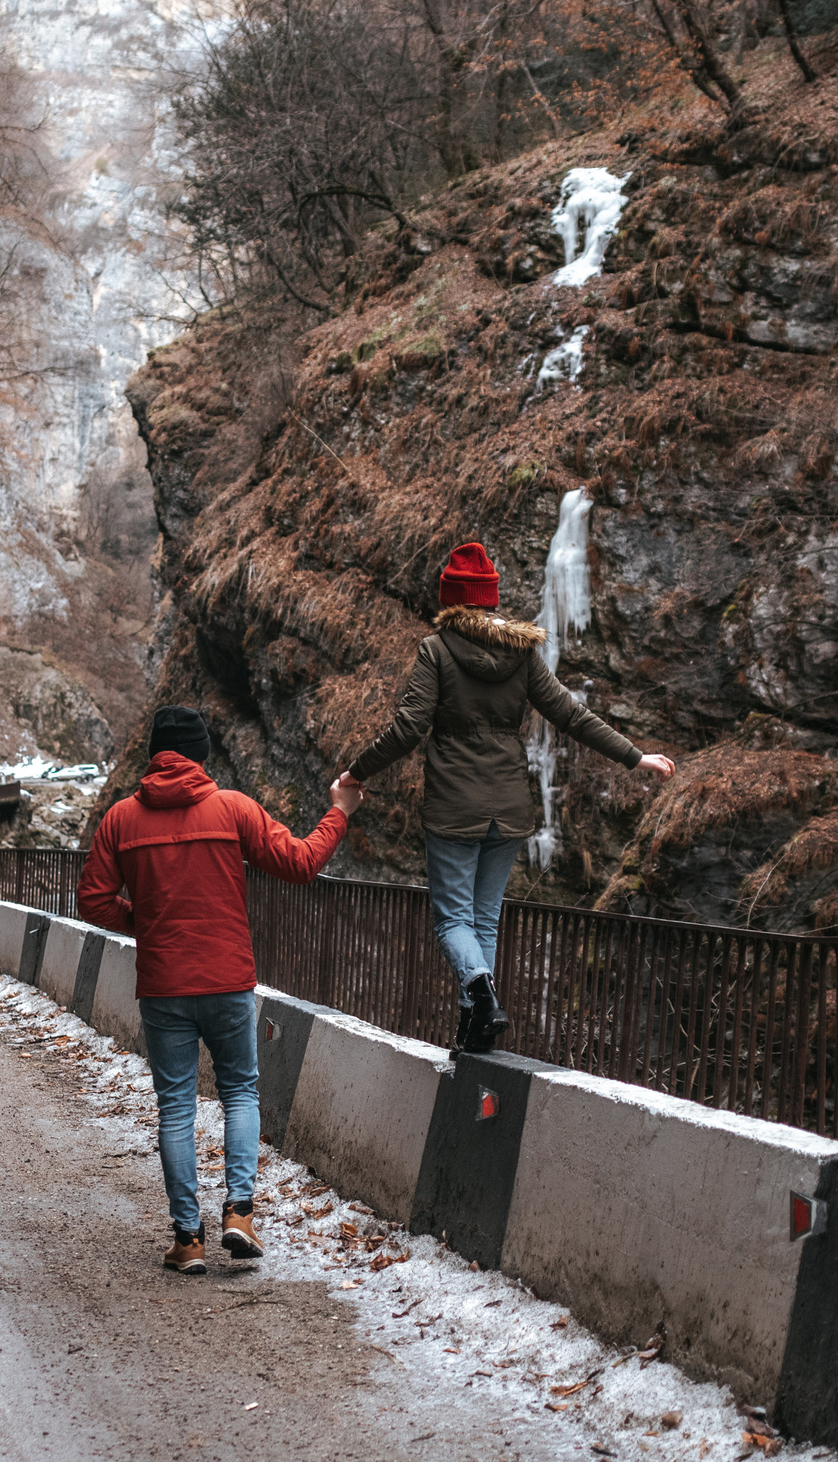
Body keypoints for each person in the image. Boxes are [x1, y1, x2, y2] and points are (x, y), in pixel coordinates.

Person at [336, 541, 674, 1053]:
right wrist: (635, 756)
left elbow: (408, 728)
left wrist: (357, 772)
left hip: (454, 808)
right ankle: (475, 1026)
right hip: (510, 808)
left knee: (453, 920)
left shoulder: (438, 650)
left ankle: (479, 991)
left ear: (451, 599)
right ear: (491, 600)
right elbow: (571, 714)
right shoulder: (522, 654)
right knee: (484, 919)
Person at [80, 705, 363, 1275]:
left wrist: (152, 923)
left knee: (176, 1107)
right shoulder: (231, 809)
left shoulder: (120, 820)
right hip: (227, 980)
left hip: (163, 987)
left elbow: (93, 900)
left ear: (153, 755)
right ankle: (239, 1213)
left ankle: (188, 1240)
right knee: (239, 1093)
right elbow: (303, 862)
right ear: (203, 756)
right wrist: (339, 812)